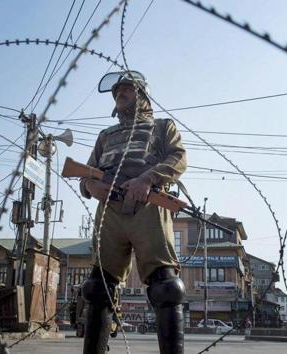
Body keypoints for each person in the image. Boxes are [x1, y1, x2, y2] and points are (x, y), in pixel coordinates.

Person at [79, 71, 187, 354]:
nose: (120, 94)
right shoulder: (105, 136)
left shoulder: (162, 127)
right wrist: (92, 186)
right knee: (97, 288)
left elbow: (178, 157)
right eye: (116, 92)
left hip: (148, 208)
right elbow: (86, 175)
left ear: (141, 95)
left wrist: (147, 179)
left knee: (166, 288)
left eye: (126, 89)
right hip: (109, 213)